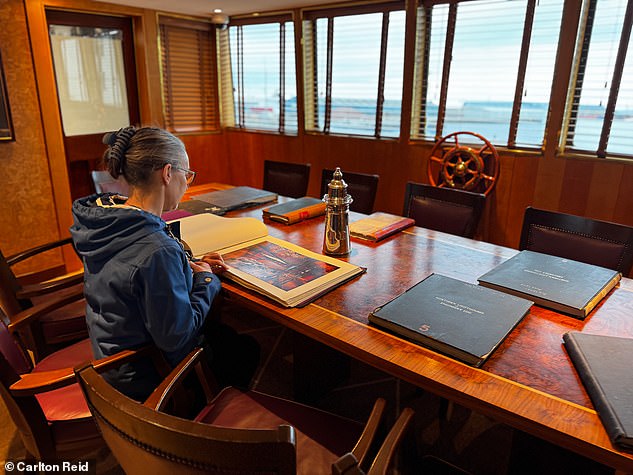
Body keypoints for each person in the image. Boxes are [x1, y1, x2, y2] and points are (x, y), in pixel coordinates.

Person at [70, 126, 258, 400]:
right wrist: (207, 280)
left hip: (110, 358)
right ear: (168, 173)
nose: (187, 182)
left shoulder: (106, 222)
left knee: (228, 338)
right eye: (187, 174)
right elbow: (176, 339)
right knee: (245, 349)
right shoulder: (157, 250)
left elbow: (135, 272)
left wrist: (184, 264)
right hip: (145, 377)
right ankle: (204, 419)